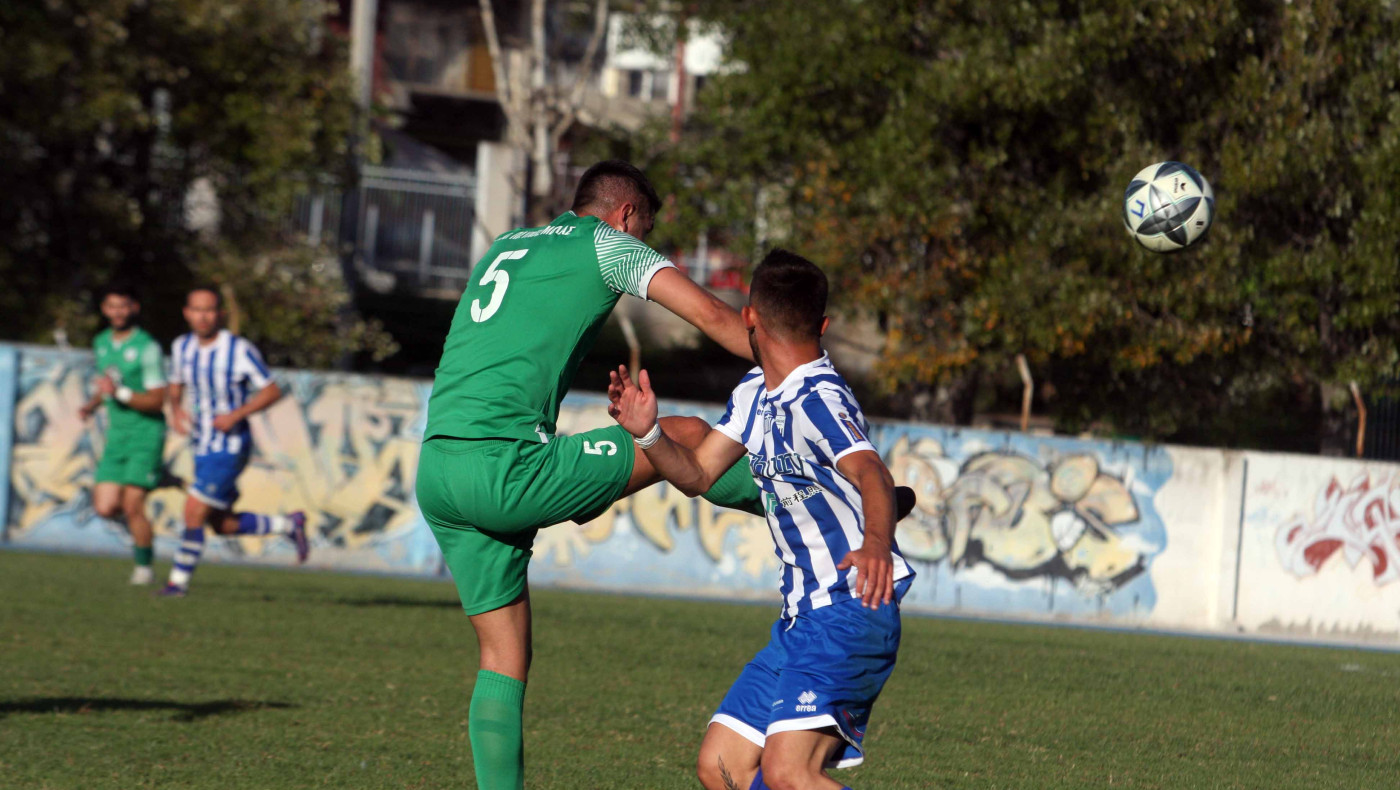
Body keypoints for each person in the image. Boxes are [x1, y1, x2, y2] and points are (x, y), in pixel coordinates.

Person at [416, 160, 780, 790]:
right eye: (647, 230)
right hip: (505, 467)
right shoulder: (609, 244)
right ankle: (816, 502)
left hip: (438, 468)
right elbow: (715, 318)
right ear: (626, 215)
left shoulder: (508, 243)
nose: (645, 243)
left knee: (502, 659)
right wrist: (797, 359)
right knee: (683, 434)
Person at [609, 249, 915, 790]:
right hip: (800, 622)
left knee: (789, 773)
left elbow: (871, 470)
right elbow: (698, 475)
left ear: (749, 317)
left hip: (849, 609)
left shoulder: (819, 397)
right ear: (823, 325)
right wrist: (649, 434)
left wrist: (875, 544)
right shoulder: (755, 394)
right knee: (721, 766)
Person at [156, 287, 309, 597]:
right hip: (201, 445)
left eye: (209, 310)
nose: (203, 317)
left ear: (221, 315)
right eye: (197, 310)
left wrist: (236, 414)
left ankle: (176, 584)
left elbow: (271, 390)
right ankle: (288, 525)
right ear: (187, 313)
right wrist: (176, 410)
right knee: (221, 524)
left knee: (193, 510)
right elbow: (175, 382)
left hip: (230, 445)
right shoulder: (182, 346)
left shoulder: (238, 350)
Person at [78, 284, 169, 585]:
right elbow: (108, 384)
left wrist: (119, 393)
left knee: (132, 505)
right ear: (104, 309)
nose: (117, 312)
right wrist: (92, 405)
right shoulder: (101, 342)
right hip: (116, 438)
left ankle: (144, 568)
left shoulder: (147, 347)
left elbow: (157, 400)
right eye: (112, 306)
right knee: (105, 507)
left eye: (123, 306)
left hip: (146, 434)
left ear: (134, 308)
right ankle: (161, 478)